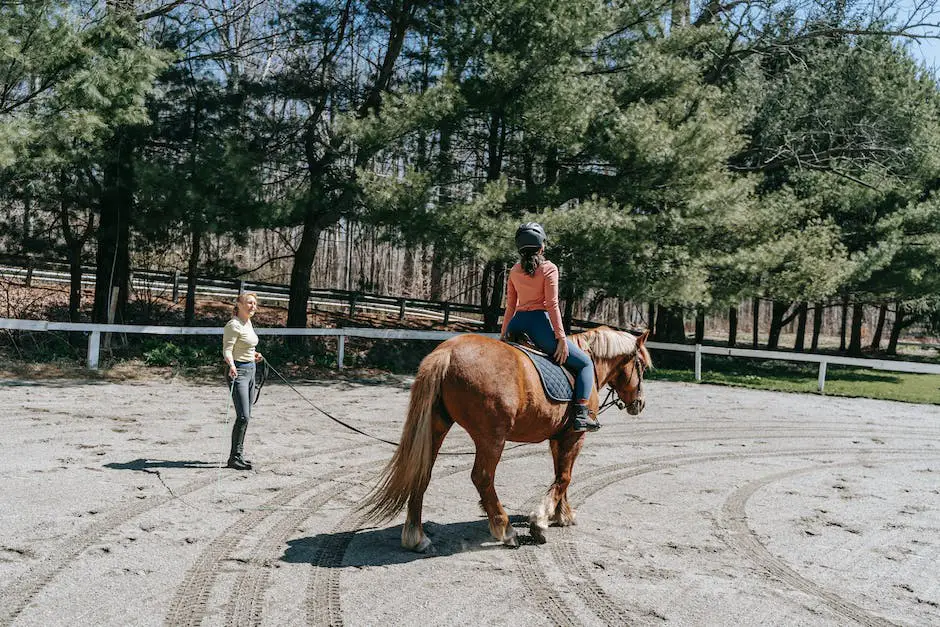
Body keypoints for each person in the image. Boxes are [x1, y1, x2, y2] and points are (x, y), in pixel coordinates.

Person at [500, 222, 599, 432]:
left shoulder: (515, 270)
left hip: (517, 323)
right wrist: (561, 338)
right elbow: (552, 304)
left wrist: (503, 334)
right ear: (541, 246)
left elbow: (510, 306)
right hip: (539, 325)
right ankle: (581, 414)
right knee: (585, 363)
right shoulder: (549, 268)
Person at [222, 292, 264, 469]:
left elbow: (246, 346)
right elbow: (227, 350)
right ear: (239, 304)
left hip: (251, 370)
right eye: (249, 303)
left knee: (246, 416)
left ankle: (238, 455)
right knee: (243, 416)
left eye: (254, 303)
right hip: (238, 372)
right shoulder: (233, 324)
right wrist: (231, 365)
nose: (252, 306)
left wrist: (254, 355)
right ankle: (234, 457)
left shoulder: (248, 323)